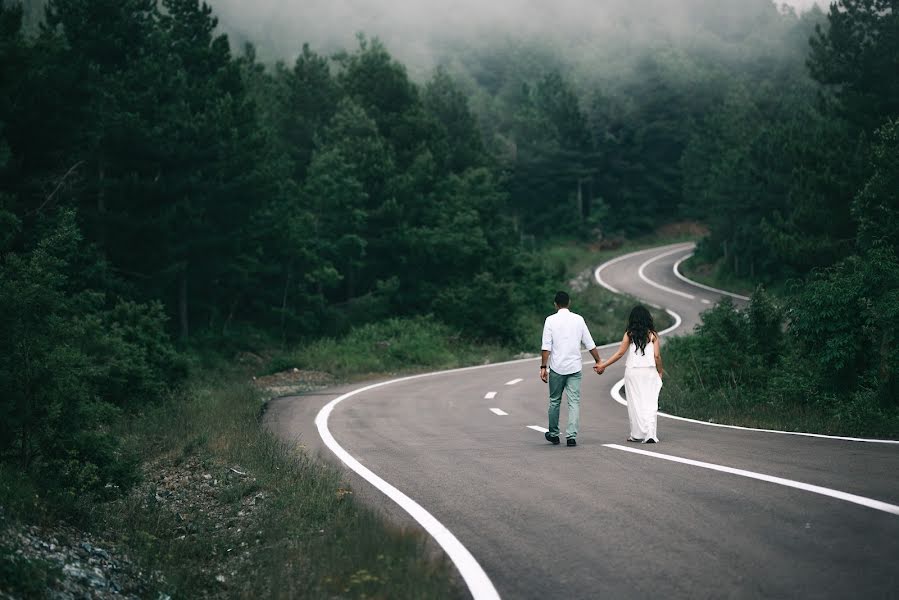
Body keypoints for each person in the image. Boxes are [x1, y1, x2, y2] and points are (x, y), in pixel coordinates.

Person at [540, 291, 604, 447]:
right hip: (574, 368)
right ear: (569, 303)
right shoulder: (578, 320)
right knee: (574, 402)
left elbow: (546, 347)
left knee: (555, 401)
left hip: (557, 368)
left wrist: (543, 367)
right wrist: (598, 360)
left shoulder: (550, 320)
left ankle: (554, 434)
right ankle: (571, 436)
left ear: (555, 304)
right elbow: (589, 343)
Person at [597, 305, 664, 443]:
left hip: (633, 372)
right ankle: (650, 433)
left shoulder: (629, 334)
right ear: (647, 318)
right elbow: (657, 356)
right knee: (650, 402)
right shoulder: (653, 335)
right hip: (649, 371)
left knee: (635, 403)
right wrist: (660, 370)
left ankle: (637, 434)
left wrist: (603, 365)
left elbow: (620, 353)